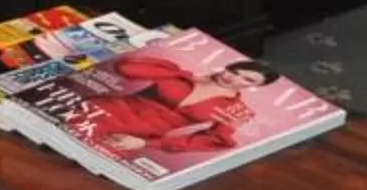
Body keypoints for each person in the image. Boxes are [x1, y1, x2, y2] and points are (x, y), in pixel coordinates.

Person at [93, 54, 276, 153]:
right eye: (234, 71)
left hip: (128, 137)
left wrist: (147, 143)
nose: (234, 78)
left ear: (257, 87)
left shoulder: (235, 110)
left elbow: (217, 141)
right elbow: (126, 68)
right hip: (101, 111)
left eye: (247, 79)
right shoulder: (180, 75)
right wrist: (182, 75)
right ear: (227, 67)